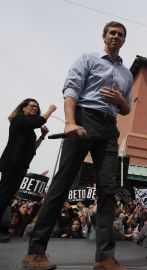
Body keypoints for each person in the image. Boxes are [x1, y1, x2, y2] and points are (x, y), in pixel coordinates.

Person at [24, 21, 132, 270]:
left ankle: (104, 258)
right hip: (84, 118)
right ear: (104, 36)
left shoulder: (126, 74)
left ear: (124, 40)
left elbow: (126, 108)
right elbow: (71, 89)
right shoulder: (88, 58)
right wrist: (70, 122)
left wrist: (119, 100)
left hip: (109, 127)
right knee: (62, 183)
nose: (116, 37)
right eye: (112, 33)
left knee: (108, 189)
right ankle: (35, 252)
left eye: (120, 34)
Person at [0, 98, 56, 241]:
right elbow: (39, 121)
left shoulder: (29, 130)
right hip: (12, 163)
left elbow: (32, 149)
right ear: (23, 108)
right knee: (3, 196)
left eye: (37, 107)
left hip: (21, 166)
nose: (35, 108)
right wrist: (49, 110)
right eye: (32, 106)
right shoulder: (19, 120)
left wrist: (42, 136)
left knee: (6, 197)